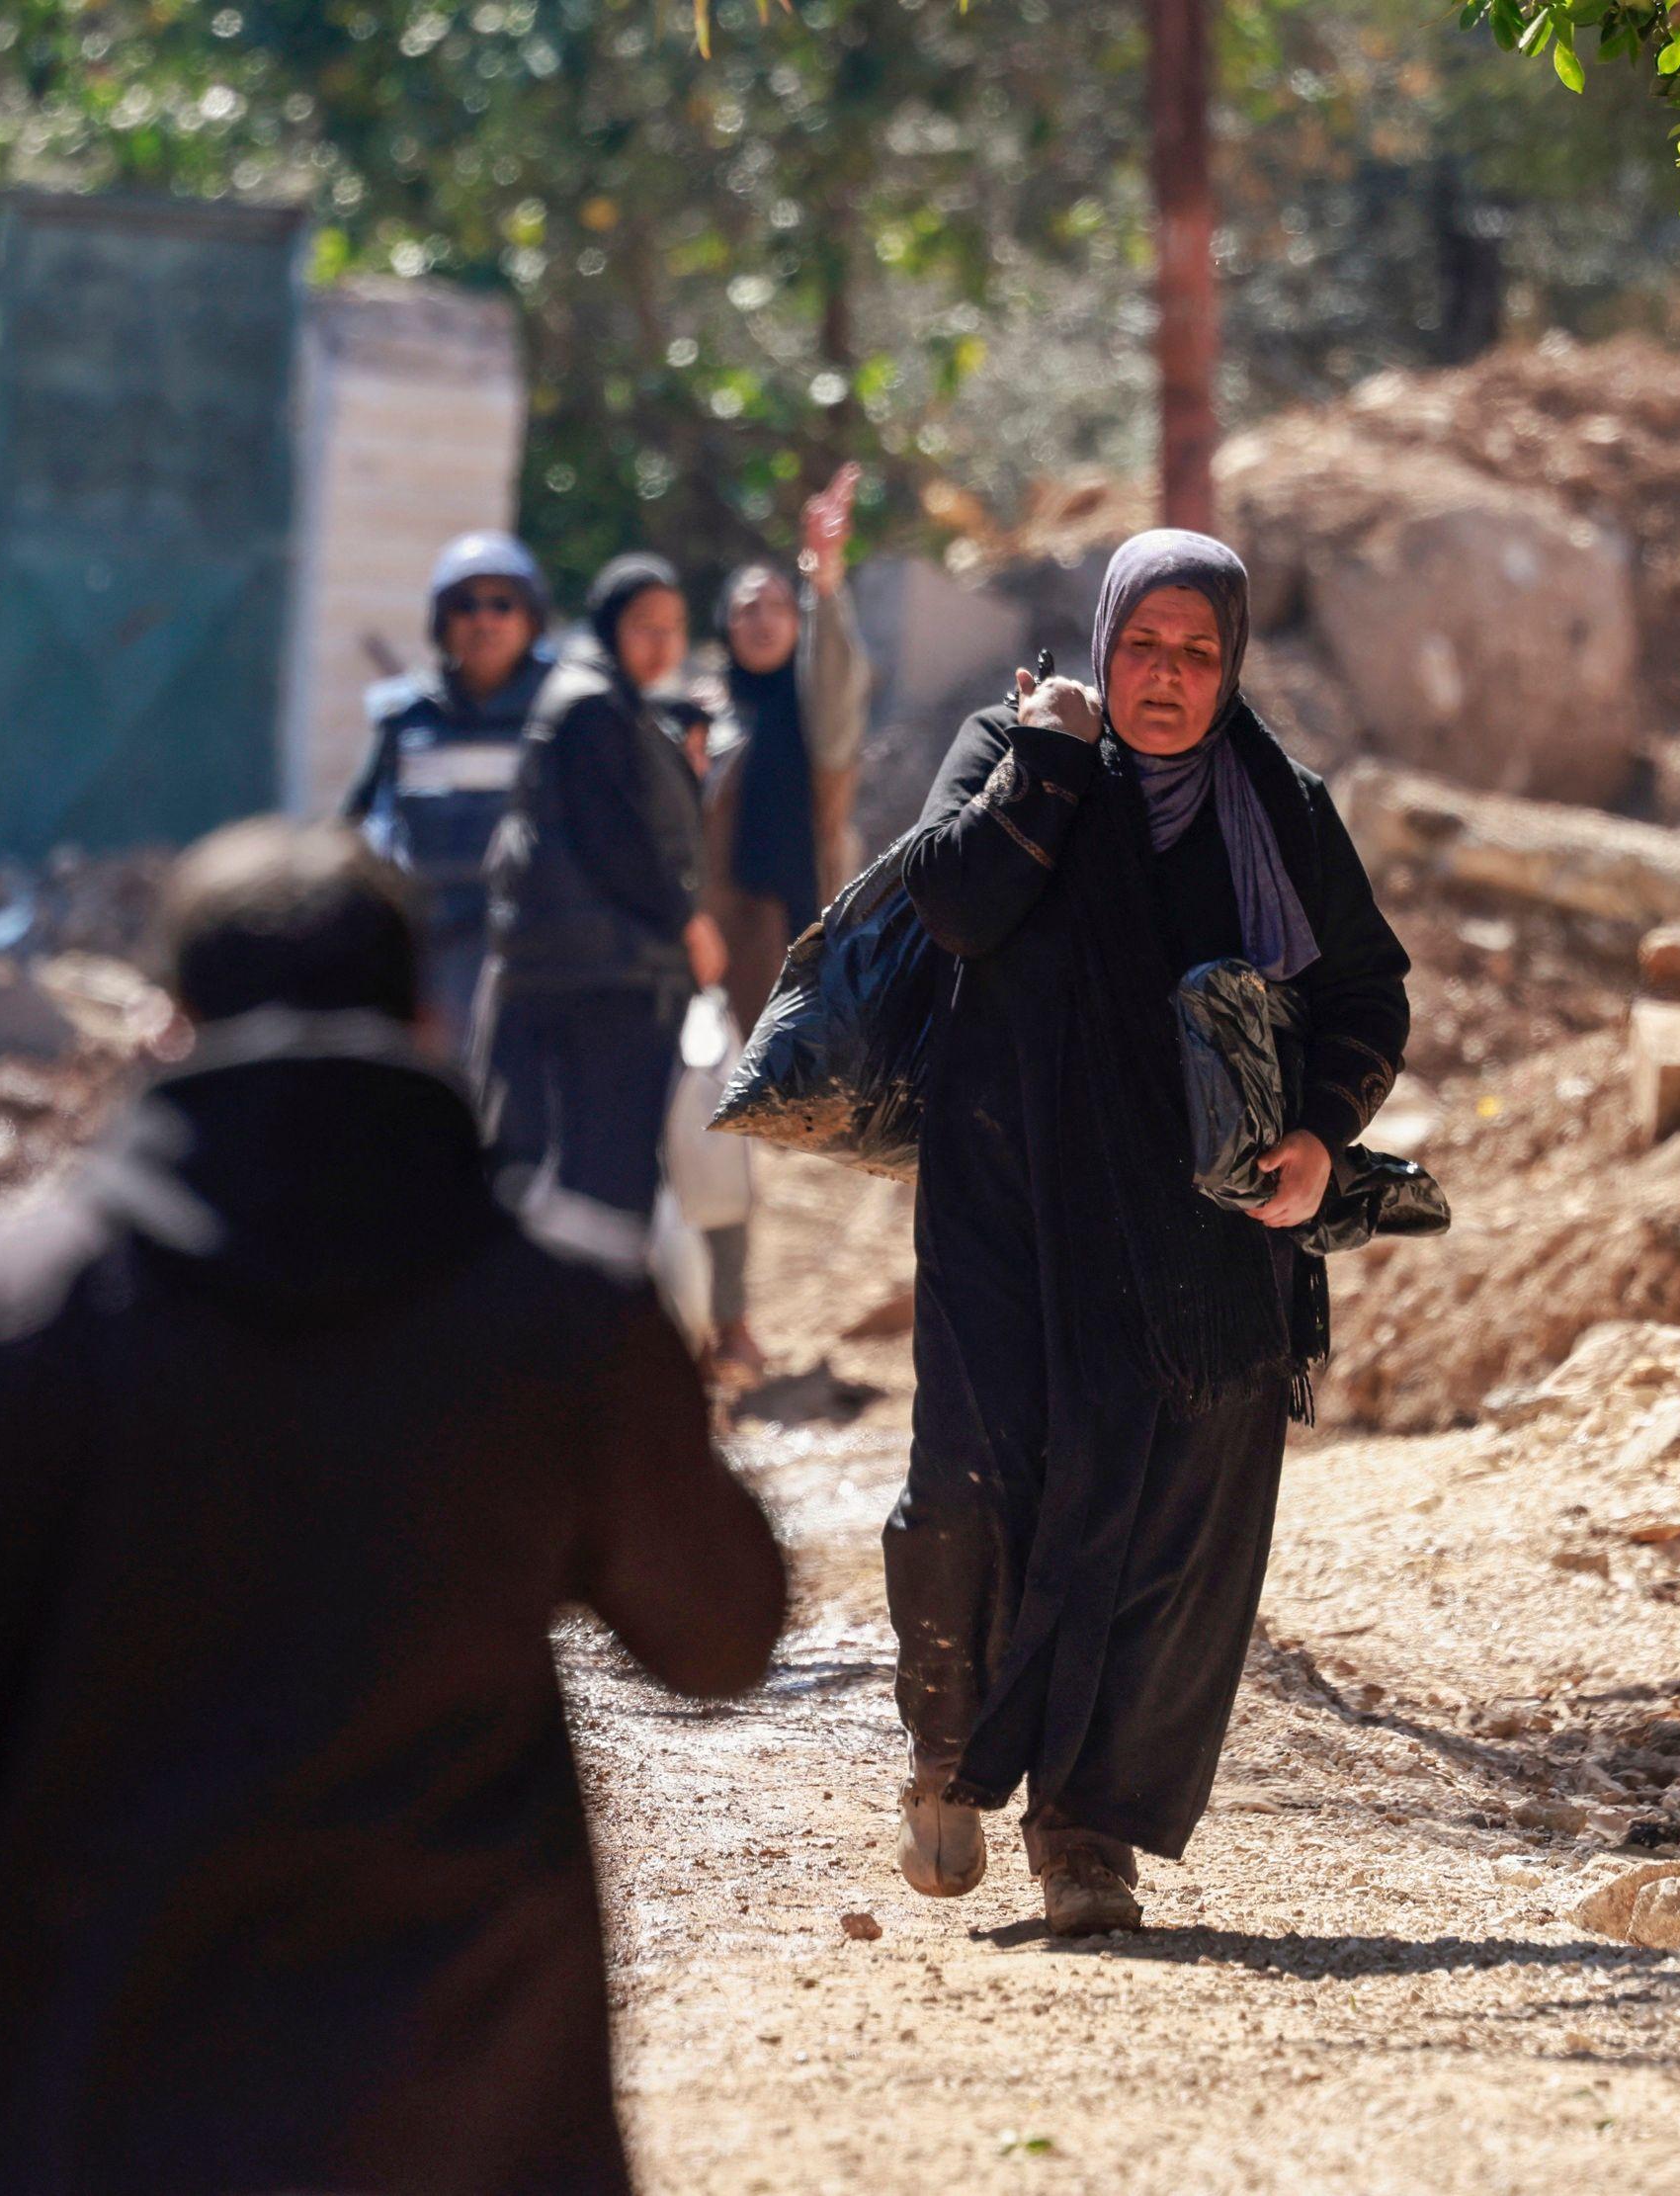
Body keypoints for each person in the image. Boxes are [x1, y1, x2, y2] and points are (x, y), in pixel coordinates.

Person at [0, 819, 787, 2196]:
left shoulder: (10, 1313)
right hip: (458, 2115)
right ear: (427, 1022)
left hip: (73, 2107)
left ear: (166, 1030)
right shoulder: (560, 1308)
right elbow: (720, 1635)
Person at [881, 530, 1410, 1935]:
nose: (1166, 677)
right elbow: (954, 903)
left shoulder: (1277, 807)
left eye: (1197, 652)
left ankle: (1088, 1833)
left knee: (1166, 1522)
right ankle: (947, 1749)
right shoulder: (1012, 746)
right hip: (1008, 1204)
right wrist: (1051, 765)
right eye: (1141, 647)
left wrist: (1322, 1133)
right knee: (979, 1477)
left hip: (1200, 1239)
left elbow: (1366, 993)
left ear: (1231, 667)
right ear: (1101, 641)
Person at [477, 552, 727, 1250]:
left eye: (674, 627)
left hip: (593, 968)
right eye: (645, 625)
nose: (662, 642)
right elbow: (619, 843)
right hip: (600, 980)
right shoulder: (590, 706)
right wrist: (688, 924)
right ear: (610, 625)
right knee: (600, 1189)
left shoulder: (611, 702)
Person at [695, 465, 875, 1374]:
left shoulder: (813, 726)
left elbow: (837, 688)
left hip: (796, 951)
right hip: (707, 954)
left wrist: (822, 582)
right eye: (744, 608)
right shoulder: (700, 720)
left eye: (776, 606)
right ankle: (717, 1320)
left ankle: (747, 1326)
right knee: (703, 1138)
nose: (761, 619)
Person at [341, 530, 558, 1050]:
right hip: (429, 942)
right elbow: (361, 823)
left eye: (502, 604)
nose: (484, 620)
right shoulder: (405, 715)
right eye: (466, 605)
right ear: (442, 620)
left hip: (534, 943)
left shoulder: (566, 710)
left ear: (531, 617)